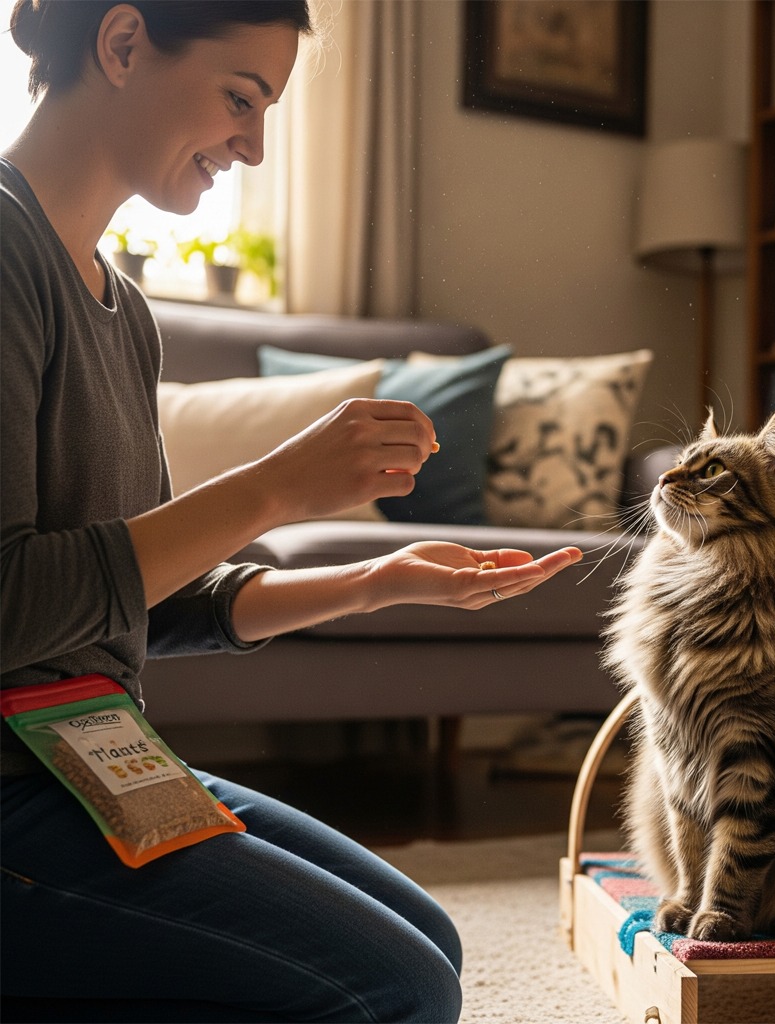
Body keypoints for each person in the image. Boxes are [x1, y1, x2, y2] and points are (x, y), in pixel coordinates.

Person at [0, 3, 583, 1021]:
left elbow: (137, 597)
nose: (255, 147)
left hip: (83, 749)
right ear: (123, 44)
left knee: (430, 944)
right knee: (393, 989)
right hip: (14, 781)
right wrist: (275, 484)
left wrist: (376, 581)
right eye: (241, 98)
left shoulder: (125, 314)